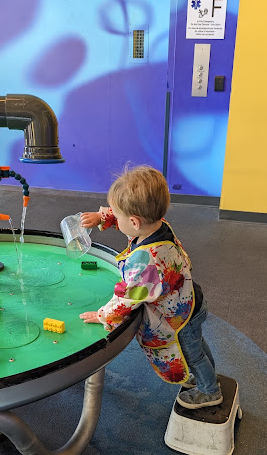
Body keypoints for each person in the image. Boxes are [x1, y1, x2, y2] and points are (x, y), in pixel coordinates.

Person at [79, 164, 222, 410]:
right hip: (191, 301)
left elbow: (128, 297)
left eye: (117, 214)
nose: (115, 216)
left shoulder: (147, 262)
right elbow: (130, 216)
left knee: (192, 353)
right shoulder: (157, 225)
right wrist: (103, 217)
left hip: (181, 317)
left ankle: (210, 391)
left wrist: (103, 314)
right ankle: (207, 376)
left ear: (134, 221)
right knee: (196, 345)